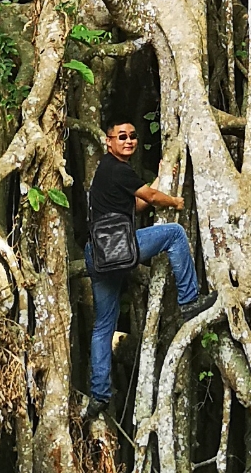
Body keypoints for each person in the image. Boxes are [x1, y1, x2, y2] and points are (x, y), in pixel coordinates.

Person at [84, 117, 209, 420]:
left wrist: (158, 182)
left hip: (98, 256)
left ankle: (98, 394)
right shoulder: (118, 169)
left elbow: (136, 206)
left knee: (103, 327)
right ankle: (189, 301)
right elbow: (152, 199)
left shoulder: (106, 170)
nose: (128, 140)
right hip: (119, 251)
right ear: (109, 141)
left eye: (133, 136)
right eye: (121, 136)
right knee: (175, 234)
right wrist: (175, 201)